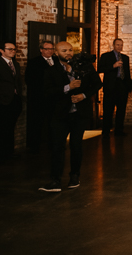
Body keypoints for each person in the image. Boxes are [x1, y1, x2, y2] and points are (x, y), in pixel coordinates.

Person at [38, 41, 102, 192]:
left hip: (79, 114)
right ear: (56, 53)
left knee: (76, 145)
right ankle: (55, 181)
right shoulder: (51, 71)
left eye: (70, 50)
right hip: (60, 114)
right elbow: (47, 92)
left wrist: (84, 95)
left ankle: (74, 177)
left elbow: (98, 84)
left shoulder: (85, 67)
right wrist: (68, 87)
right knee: (57, 147)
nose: (68, 53)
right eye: (64, 50)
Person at [25, 40, 56, 152]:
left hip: (55, 98)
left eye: (52, 49)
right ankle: (35, 146)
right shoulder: (34, 62)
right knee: (37, 123)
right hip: (40, 98)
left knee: (53, 122)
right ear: (41, 50)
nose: (50, 51)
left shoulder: (56, 61)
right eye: (47, 49)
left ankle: (53, 144)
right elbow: (29, 80)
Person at [98, 38, 132, 137]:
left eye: (121, 45)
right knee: (108, 109)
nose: (119, 47)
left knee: (121, 109)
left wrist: (129, 86)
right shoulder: (106, 56)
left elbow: (127, 73)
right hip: (110, 86)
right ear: (113, 45)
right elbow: (100, 69)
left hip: (122, 86)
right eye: (118, 45)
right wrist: (113, 66)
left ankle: (119, 130)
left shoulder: (125, 58)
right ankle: (106, 131)